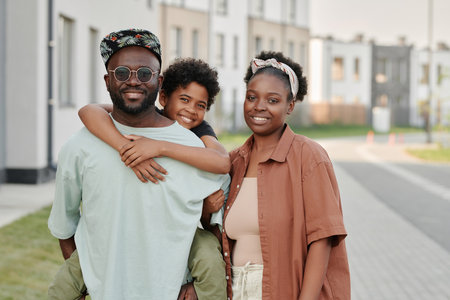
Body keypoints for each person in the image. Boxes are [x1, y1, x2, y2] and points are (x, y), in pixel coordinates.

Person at [47, 29, 229, 300]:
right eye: (121, 73)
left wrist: (199, 288)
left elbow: (216, 227)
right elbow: (65, 227)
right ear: (108, 81)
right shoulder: (80, 146)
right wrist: (88, 282)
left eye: (144, 73)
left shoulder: (192, 148)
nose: (133, 81)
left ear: (159, 80)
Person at [221, 51, 350, 300]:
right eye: (252, 97)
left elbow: (321, 240)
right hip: (235, 289)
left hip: (282, 291)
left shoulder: (309, 157)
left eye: (272, 100)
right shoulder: (233, 161)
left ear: (290, 105)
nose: (259, 106)